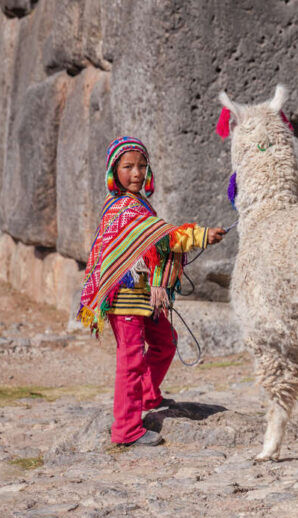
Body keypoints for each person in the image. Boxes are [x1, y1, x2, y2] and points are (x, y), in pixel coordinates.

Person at [79, 136, 225, 447]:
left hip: (145, 294)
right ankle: (126, 430)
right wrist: (201, 235)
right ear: (113, 171)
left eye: (142, 166)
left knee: (165, 342)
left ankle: (148, 394)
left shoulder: (141, 204)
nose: (136, 173)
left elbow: (158, 240)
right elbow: (163, 238)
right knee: (130, 360)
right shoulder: (122, 208)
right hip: (124, 296)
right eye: (128, 166)